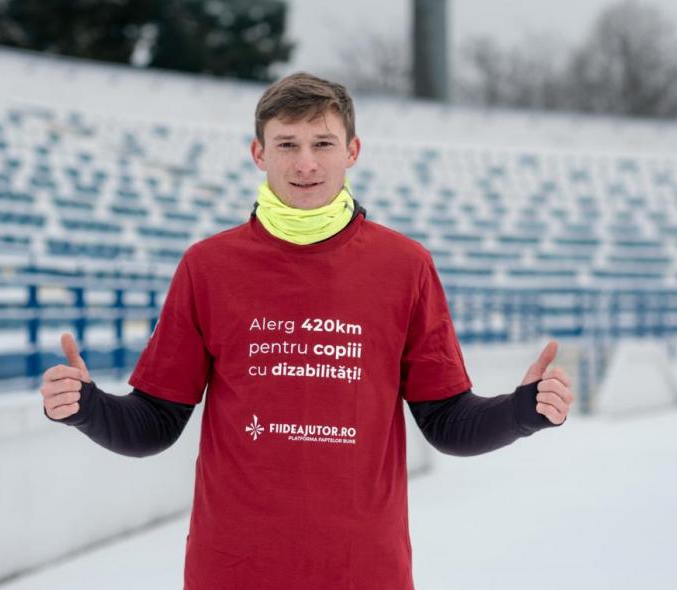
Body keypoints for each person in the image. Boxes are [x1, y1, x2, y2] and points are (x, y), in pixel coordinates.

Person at [41, 72, 572, 589]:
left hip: (364, 572)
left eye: (322, 143)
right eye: (287, 144)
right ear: (259, 153)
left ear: (352, 151)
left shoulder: (405, 266)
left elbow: (448, 421)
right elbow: (154, 422)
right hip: (233, 571)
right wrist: (86, 407)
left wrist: (522, 411)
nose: (305, 163)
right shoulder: (208, 267)